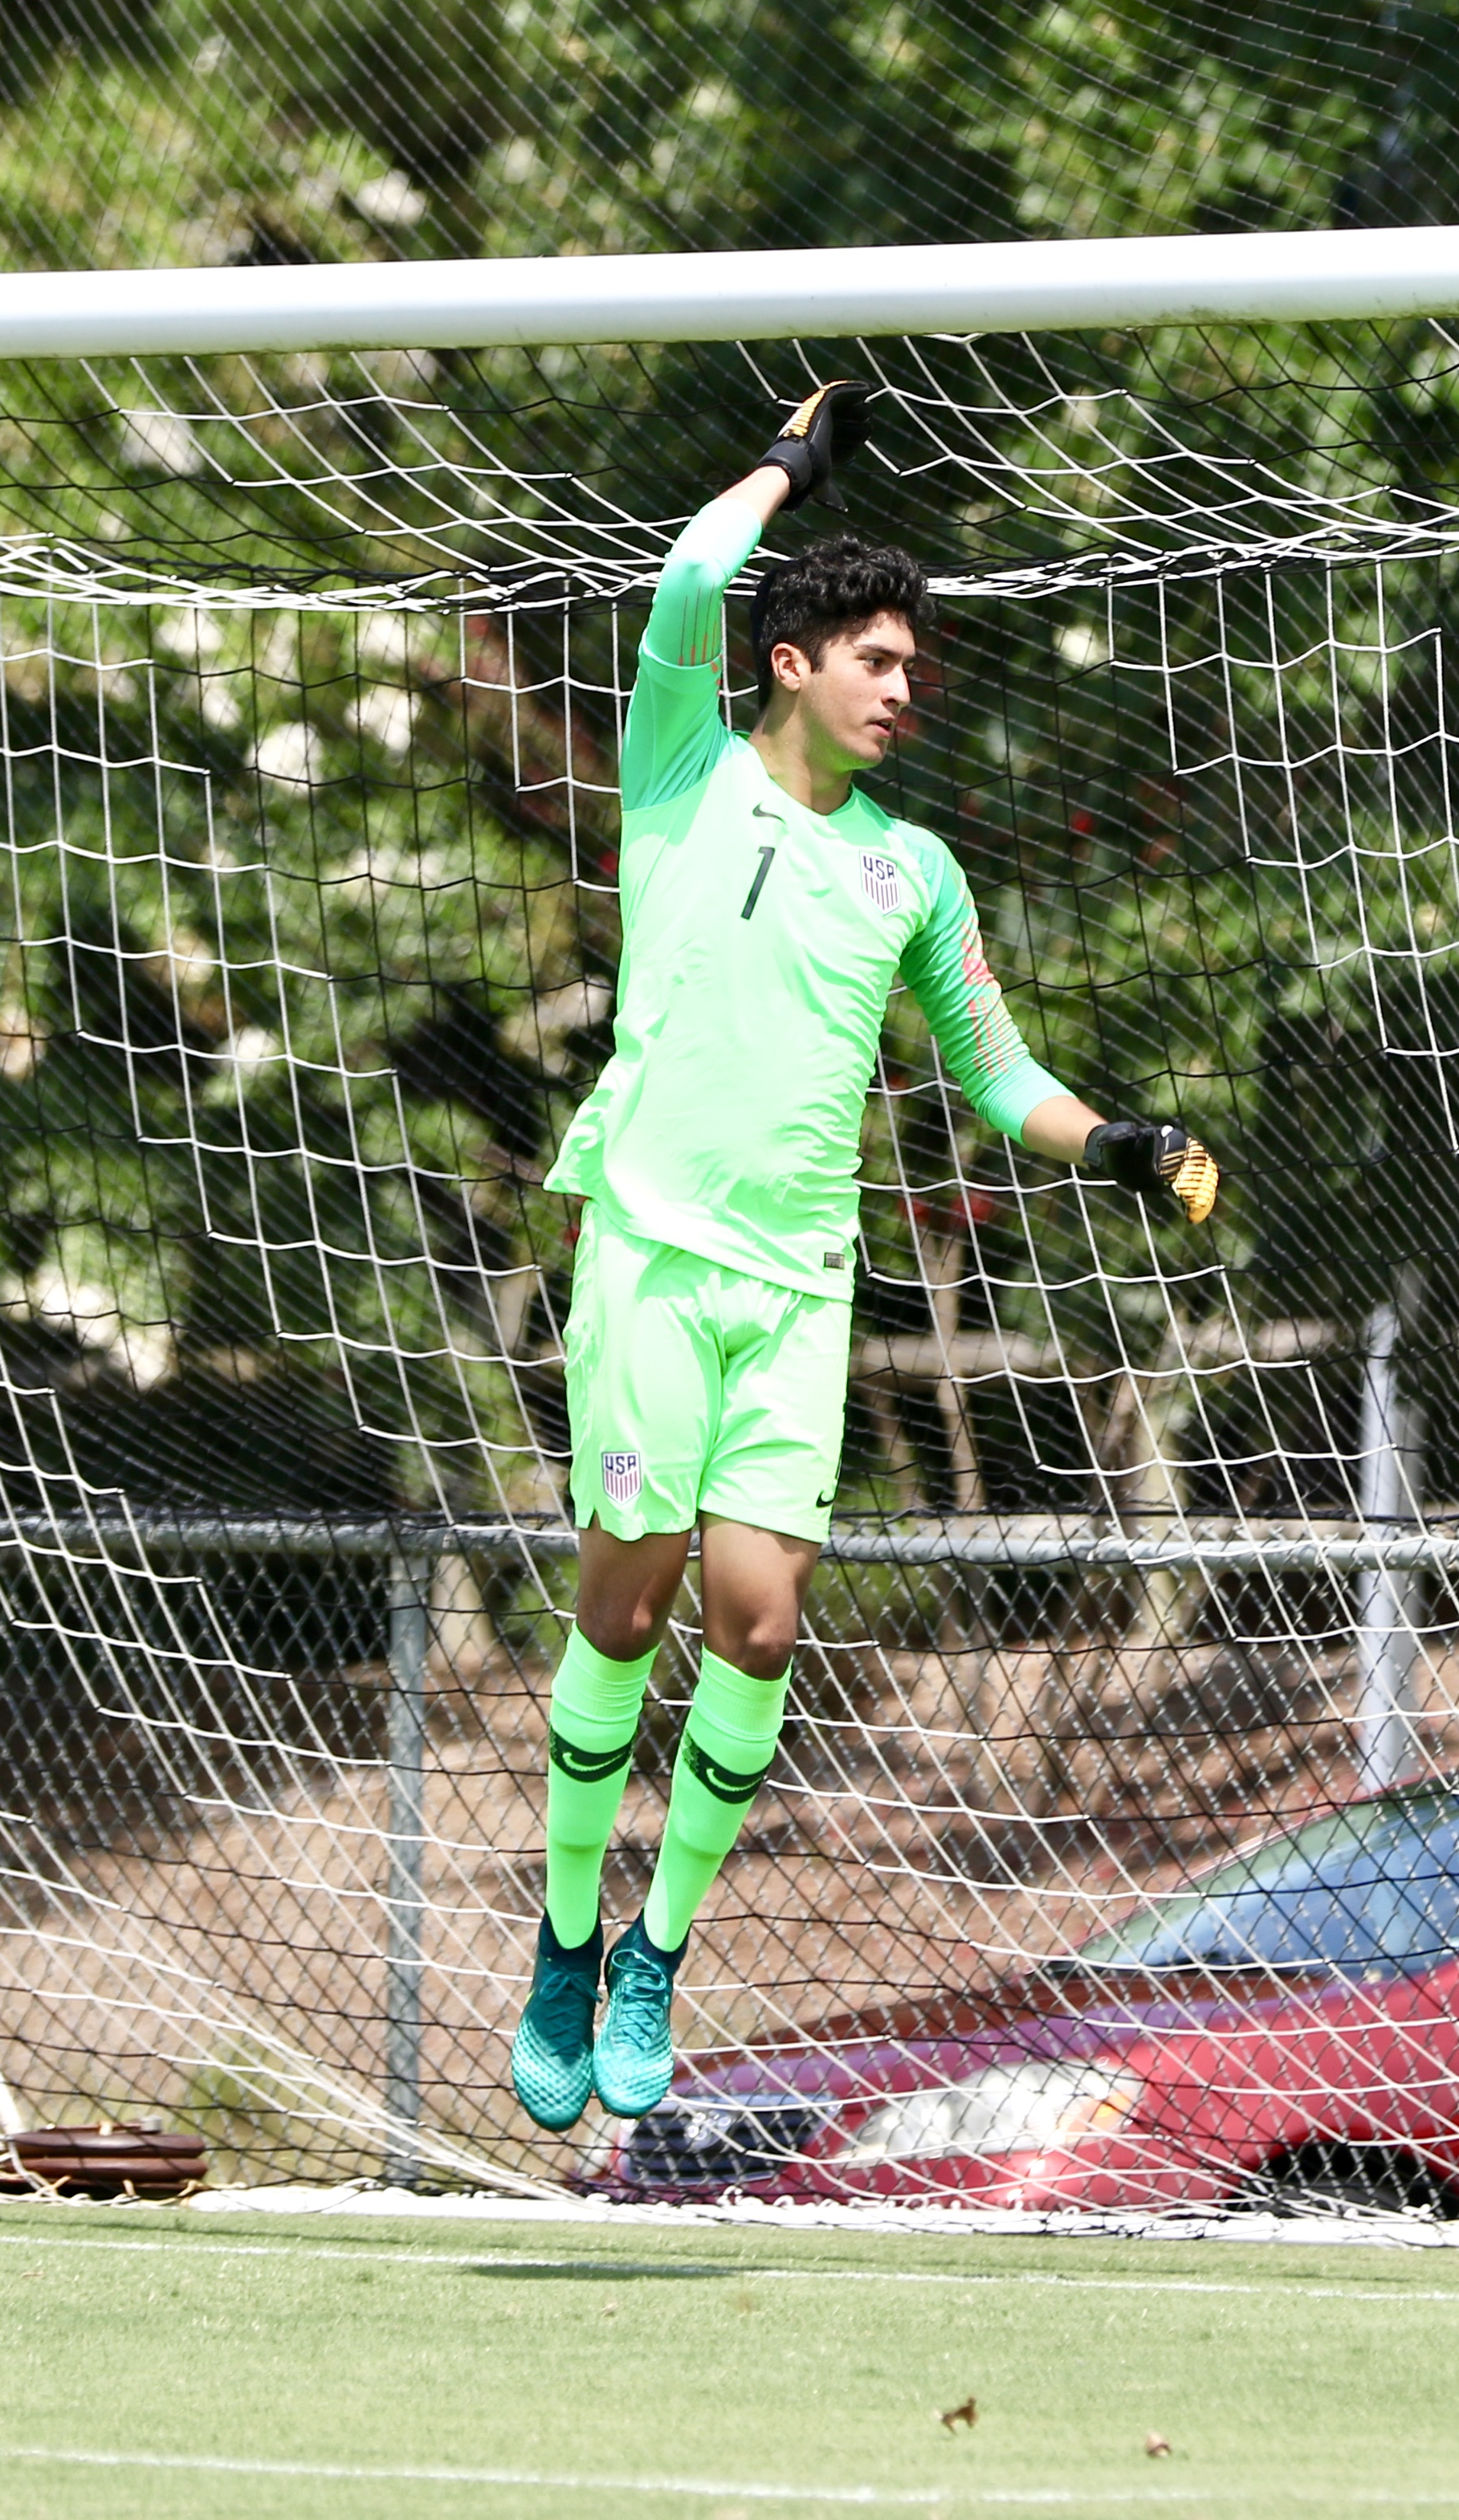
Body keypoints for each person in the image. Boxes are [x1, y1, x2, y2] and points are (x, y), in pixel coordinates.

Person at [512, 381, 1217, 2131]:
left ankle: (658, 1947)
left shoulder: (914, 871)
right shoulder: (678, 775)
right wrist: (785, 462)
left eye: (914, 665)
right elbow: (685, 583)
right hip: (653, 1258)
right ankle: (566, 1926)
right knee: (633, 1585)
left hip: (798, 1283)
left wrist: (1116, 1141)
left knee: (757, 1624)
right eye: (878, 660)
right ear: (792, 663)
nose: (906, 689)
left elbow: (996, 1070)